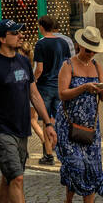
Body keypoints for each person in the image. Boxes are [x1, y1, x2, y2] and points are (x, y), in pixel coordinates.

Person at [0, 19, 57, 203]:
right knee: (18, 177)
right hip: (1, 130)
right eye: (15, 33)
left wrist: (48, 123)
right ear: (2, 39)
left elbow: (35, 94)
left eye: (20, 32)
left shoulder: (23, 61)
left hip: (22, 129)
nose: (21, 35)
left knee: (9, 177)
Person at [55, 27, 103, 203]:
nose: (90, 53)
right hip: (69, 125)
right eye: (88, 49)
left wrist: (102, 91)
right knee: (76, 166)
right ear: (79, 46)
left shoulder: (97, 66)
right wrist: (84, 87)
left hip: (90, 127)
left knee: (92, 168)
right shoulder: (68, 65)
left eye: (94, 50)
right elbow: (62, 94)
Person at [32, 16, 71, 165]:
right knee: (61, 119)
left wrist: (34, 80)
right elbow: (67, 64)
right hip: (59, 85)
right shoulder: (63, 43)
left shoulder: (40, 44)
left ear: (42, 27)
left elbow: (39, 68)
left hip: (45, 86)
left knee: (46, 121)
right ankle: (64, 151)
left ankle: (48, 154)